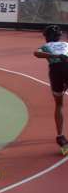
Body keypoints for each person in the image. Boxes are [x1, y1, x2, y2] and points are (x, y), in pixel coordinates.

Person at [33, 25, 68, 154]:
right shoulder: (65, 44)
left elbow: (36, 53)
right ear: (59, 36)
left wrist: (55, 56)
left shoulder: (45, 46)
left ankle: (60, 136)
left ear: (47, 37)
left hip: (55, 71)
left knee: (59, 104)